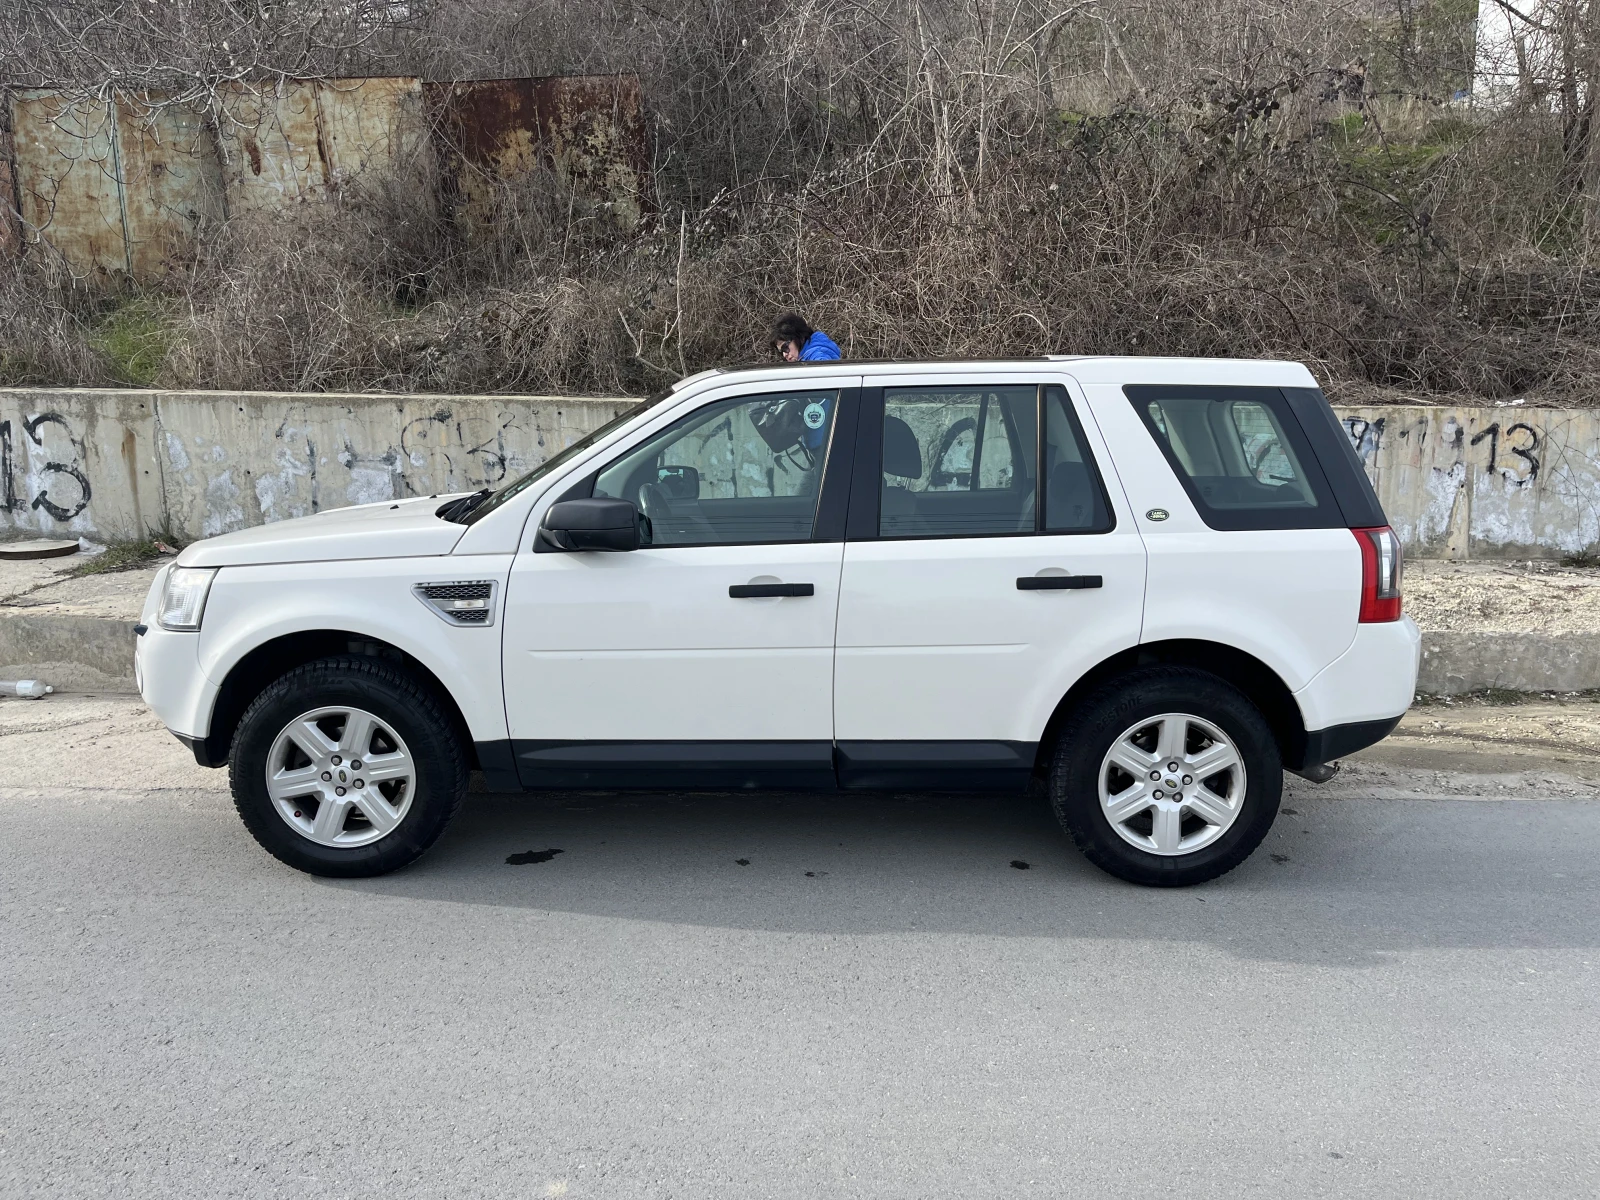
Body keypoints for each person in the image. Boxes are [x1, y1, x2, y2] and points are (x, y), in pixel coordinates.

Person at [772, 313, 841, 362]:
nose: (784, 355)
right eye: (781, 351)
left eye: (785, 347)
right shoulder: (807, 357)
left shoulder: (817, 357)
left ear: (798, 338)